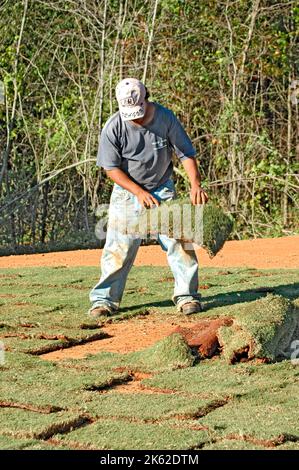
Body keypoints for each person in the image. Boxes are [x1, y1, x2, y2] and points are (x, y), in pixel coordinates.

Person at [89, 77, 208, 318]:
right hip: (127, 193)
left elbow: (185, 153)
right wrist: (138, 192)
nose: (134, 116)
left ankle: (187, 296)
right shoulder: (113, 127)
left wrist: (195, 184)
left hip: (162, 188)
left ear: (146, 98)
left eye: (138, 110)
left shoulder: (165, 118)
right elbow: (111, 169)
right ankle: (104, 301)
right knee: (119, 247)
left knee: (180, 242)